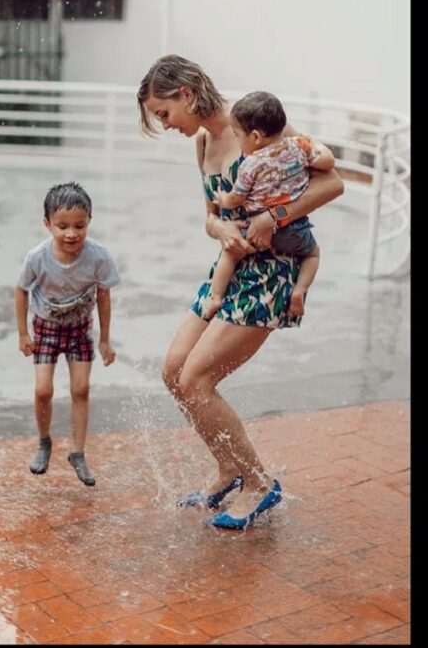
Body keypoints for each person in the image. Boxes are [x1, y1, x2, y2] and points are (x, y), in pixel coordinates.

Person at [137, 55, 345, 529]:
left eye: (165, 113)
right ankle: (228, 469)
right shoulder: (203, 141)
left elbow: (333, 182)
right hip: (229, 268)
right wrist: (217, 229)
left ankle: (258, 482)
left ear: (186, 94)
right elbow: (211, 216)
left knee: (196, 380)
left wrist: (274, 217)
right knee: (174, 372)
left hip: (270, 273)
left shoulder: (255, 122)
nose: (166, 125)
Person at [15, 182, 120, 486]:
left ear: (89, 222)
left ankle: (78, 452)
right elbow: (21, 290)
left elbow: (104, 296)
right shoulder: (37, 257)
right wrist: (23, 333)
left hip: (79, 329)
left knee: (81, 388)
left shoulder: (98, 256)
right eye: (62, 226)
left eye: (79, 226)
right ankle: (44, 440)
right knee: (43, 389)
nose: (71, 233)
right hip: (46, 327)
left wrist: (104, 339)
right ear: (47, 224)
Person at [202, 90, 334, 319]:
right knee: (313, 254)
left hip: (255, 228)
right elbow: (327, 162)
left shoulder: (250, 164)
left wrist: (223, 199)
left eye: (237, 135)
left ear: (255, 137)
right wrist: (315, 144)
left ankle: (215, 297)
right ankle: (299, 291)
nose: (237, 141)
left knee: (229, 254)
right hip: (294, 229)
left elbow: (237, 198)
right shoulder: (299, 146)